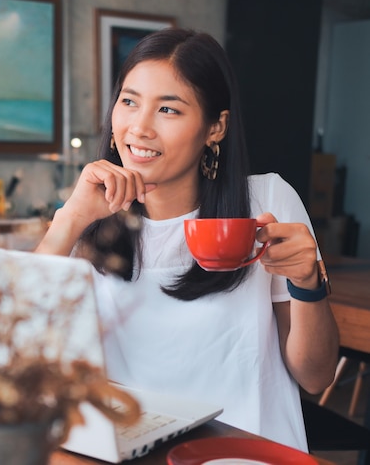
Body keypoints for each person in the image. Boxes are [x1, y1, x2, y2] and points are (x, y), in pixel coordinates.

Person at [35, 27, 339, 451]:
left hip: (246, 457)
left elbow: (316, 376)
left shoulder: (266, 202)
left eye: (169, 110)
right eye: (129, 101)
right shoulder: (89, 219)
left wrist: (309, 285)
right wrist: (69, 221)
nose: (139, 128)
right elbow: (14, 354)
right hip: (128, 455)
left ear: (215, 127)